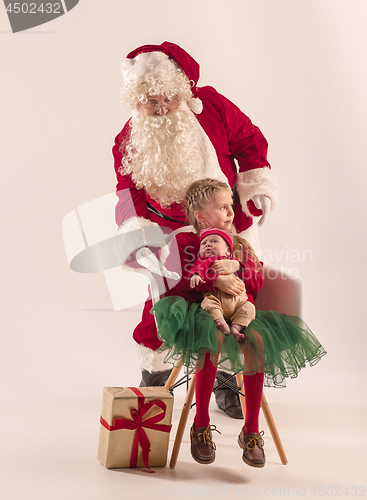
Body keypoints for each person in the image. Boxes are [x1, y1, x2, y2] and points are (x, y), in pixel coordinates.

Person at [113, 41, 278, 417]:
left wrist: (257, 188)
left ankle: (227, 384)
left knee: (236, 300)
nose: (160, 109)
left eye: (168, 99)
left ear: (182, 91)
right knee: (163, 305)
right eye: (149, 102)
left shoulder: (212, 107)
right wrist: (139, 237)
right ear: (136, 101)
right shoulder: (128, 139)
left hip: (226, 229)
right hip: (172, 237)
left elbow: (249, 141)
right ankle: (154, 385)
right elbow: (128, 194)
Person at [152, 178, 326, 468]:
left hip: (240, 312)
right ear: (201, 216)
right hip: (200, 312)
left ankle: (251, 431)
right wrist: (213, 278)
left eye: (231, 206)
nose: (231, 212)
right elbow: (175, 285)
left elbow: (255, 286)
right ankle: (201, 425)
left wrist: (239, 267)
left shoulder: (241, 244)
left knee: (256, 341)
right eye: (222, 207)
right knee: (213, 340)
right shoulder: (184, 243)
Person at [189, 228, 256, 342]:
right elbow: (197, 269)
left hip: (238, 303)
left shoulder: (233, 262)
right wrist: (195, 275)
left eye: (214, 241)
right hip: (216, 299)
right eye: (203, 243)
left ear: (228, 251)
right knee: (208, 303)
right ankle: (221, 322)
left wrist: (238, 265)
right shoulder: (204, 261)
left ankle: (236, 327)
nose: (208, 244)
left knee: (250, 308)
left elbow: (252, 277)